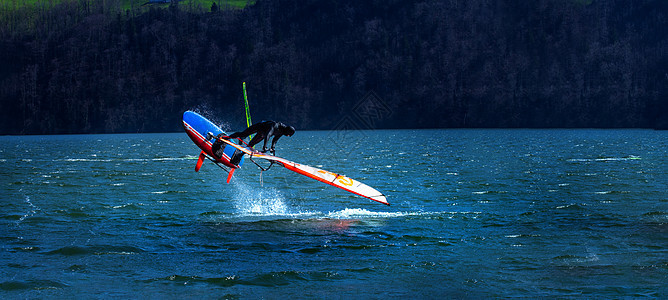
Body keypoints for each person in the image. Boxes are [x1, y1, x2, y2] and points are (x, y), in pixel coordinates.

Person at [223, 121, 295, 154]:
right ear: (287, 131)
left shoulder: (282, 132)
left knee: (250, 145)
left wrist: (273, 148)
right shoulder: (275, 125)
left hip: (262, 134)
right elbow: (268, 135)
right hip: (259, 127)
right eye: (289, 134)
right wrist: (265, 147)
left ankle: (239, 154)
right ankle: (226, 138)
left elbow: (275, 140)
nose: (288, 136)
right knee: (243, 134)